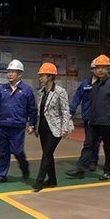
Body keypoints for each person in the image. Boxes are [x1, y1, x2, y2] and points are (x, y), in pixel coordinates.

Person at [65, 54, 110, 181]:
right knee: (88, 145)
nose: (100, 70)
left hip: (108, 122)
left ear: (108, 69)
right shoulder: (95, 84)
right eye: (98, 68)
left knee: (108, 147)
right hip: (93, 121)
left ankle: (108, 171)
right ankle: (81, 168)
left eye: (103, 67)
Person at [0, 59, 37, 185]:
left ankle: (24, 166)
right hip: (3, 126)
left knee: (17, 151)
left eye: (13, 72)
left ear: (20, 74)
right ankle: (1, 175)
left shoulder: (27, 90)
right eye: (9, 72)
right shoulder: (2, 89)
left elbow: (32, 109)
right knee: (2, 152)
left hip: (17, 127)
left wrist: (32, 124)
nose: (9, 74)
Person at [32, 63, 71, 192]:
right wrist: (35, 126)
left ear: (50, 76)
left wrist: (64, 128)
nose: (40, 78)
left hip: (56, 129)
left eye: (42, 76)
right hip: (43, 128)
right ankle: (52, 180)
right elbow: (39, 111)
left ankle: (39, 181)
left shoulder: (60, 92)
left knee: (47, 154)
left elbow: (65, 111)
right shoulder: (41, 92)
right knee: (48, 154)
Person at [69, 59, 102, 171]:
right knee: (90, 141)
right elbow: (77, 98)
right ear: (92, 70)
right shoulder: (85, 84)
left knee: (96, 141)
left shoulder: (105, 84)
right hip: (88, 117)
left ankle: (93, 161)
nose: (99, 70)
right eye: (97, 68)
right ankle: (89, 162)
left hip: (101, 117)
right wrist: (71, 111)